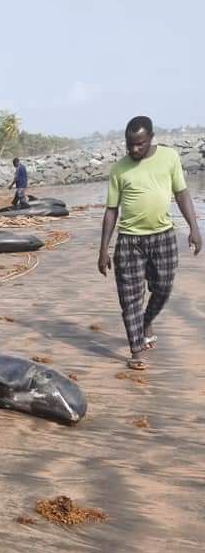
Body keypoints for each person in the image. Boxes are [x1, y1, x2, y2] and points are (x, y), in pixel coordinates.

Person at [98, 116, 202, 370]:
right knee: (130, 298)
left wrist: (194, 228)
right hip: (129, 241)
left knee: (163, 288)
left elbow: (182, 193)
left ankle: (146, 321)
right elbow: (111, 210)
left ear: (151, 139)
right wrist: (103, 249)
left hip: (163, 236)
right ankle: (135, 349)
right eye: (130, 144)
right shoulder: (119, 169)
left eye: (140, 144)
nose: (134, 149)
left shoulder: (169, 157)